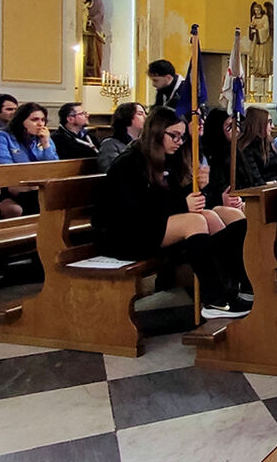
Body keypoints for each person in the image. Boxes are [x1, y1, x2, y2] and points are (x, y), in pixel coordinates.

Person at [92, 107, 250, 318]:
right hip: (123, 233)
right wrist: (184, 204)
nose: (179, 141)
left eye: (182, 136)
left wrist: (197, 187)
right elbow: (136, 209)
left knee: (211, 216)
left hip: (150, 225)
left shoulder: (169, 160)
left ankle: (232, 288)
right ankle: (214, 300)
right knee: (194, 223)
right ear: (157, 132)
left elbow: (172, 199)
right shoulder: (130, 163)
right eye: (173, 135)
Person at [0, 102, 59, 216]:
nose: (40, 124)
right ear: (21, 121)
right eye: (35, 120)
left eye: (43, 120)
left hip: (36, 185)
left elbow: (54, 168)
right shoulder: (1, 136)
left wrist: (46, 144)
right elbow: (4, 169)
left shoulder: (44, 138)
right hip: (7, 186)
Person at [234, 107, 277, 189]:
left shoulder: (268, 143)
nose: (272, 126)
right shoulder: (245, 149)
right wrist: (272, 183)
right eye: (269, 123)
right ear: (258, 124)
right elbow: (255, 181)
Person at [98, 102, 145, 172]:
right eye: (140, 114)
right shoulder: (109, 144)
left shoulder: (145, 142)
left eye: (145, 113)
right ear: (127, 117)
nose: (145, 117)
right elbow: (112, 172)